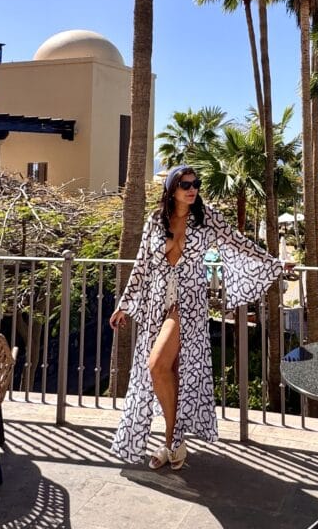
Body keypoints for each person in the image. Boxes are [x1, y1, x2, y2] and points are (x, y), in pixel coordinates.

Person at [109, 165, 282, 468]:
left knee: (156, 365)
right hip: (156, 303)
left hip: (188, 305)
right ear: (172, 189)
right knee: (169, 373)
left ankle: (172, 442)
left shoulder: (206, 217)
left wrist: (274, 263)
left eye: (195, 184)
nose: (192, 189)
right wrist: (124, 304)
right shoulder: (156, 220)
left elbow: (237, 242)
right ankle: (173, 444)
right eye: (185, 185)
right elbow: (142, 264)